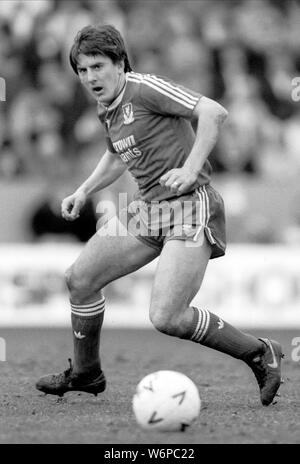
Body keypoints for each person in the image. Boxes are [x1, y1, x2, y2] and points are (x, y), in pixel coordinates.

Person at [36, 24, 283, 406]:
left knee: (168, 317)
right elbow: (118, 153)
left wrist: (190, 168)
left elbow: (213, 112)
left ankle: (259, 351)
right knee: (80, 279)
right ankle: (87, 373)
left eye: (98, 66)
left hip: (189, 204)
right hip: (147, 208)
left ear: (119, 62)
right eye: (83, 70)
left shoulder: (145, 87)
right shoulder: (109, 107)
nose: (90, 77)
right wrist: (83, 190)